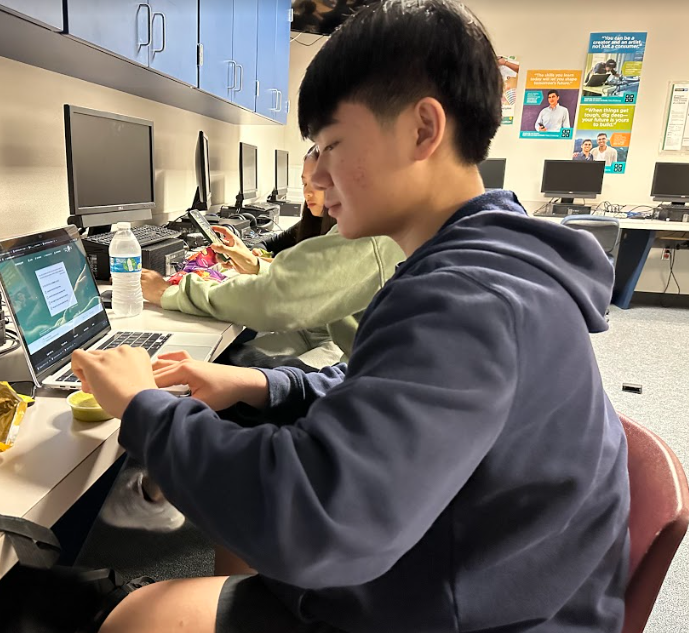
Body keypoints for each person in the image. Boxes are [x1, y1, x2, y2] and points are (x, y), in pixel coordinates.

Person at [76, 1, 629, 631]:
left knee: (141, 616)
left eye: (330, 144)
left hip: (481, 608)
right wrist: (260, 383)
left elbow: (316, 522)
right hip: (490, 568)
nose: (313, 172)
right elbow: (389, 385)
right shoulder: (487, 263)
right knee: (236, 534)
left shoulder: (466, 298)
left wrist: (143, 410)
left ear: (424, 129)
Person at [141, 145, 404, 370]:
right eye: (306, 182)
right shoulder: (374, 224)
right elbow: (303, 288)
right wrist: (256, 265)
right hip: (321, 337)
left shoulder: (368, 235)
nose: (310, 192)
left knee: (215, 369)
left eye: (324, 180)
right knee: (225, 361)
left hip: (342, 361)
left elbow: (275, 299)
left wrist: (171, 294)